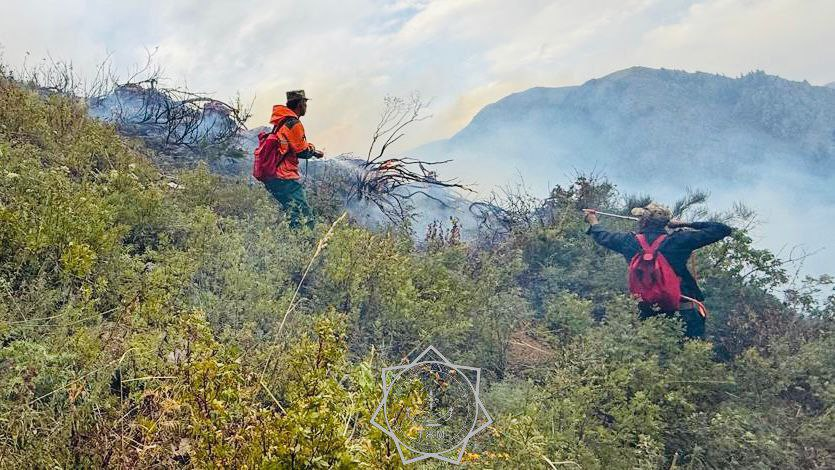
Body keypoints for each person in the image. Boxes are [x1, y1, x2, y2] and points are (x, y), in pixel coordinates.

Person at [584, 202, 732, 338]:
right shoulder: (679, 240)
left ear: (643, 221)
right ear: (665, 223)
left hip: (646, 313)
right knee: (691, 360)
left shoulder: (628, 241)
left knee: (650, 361)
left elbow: (602, 235)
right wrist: (686, 223)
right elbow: (722, 229)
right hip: (684, 311)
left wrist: (592, 220)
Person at [263, 90, 324, 228]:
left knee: (292, 211)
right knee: (304, 214)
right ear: (300, 104)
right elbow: (301, 151)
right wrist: (313, 151)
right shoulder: (293, 123)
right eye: (305, 103)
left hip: (273, 176)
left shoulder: (281, 122)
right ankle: (304, 244)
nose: (306, 107)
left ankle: (290, 241)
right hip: (283, 176)